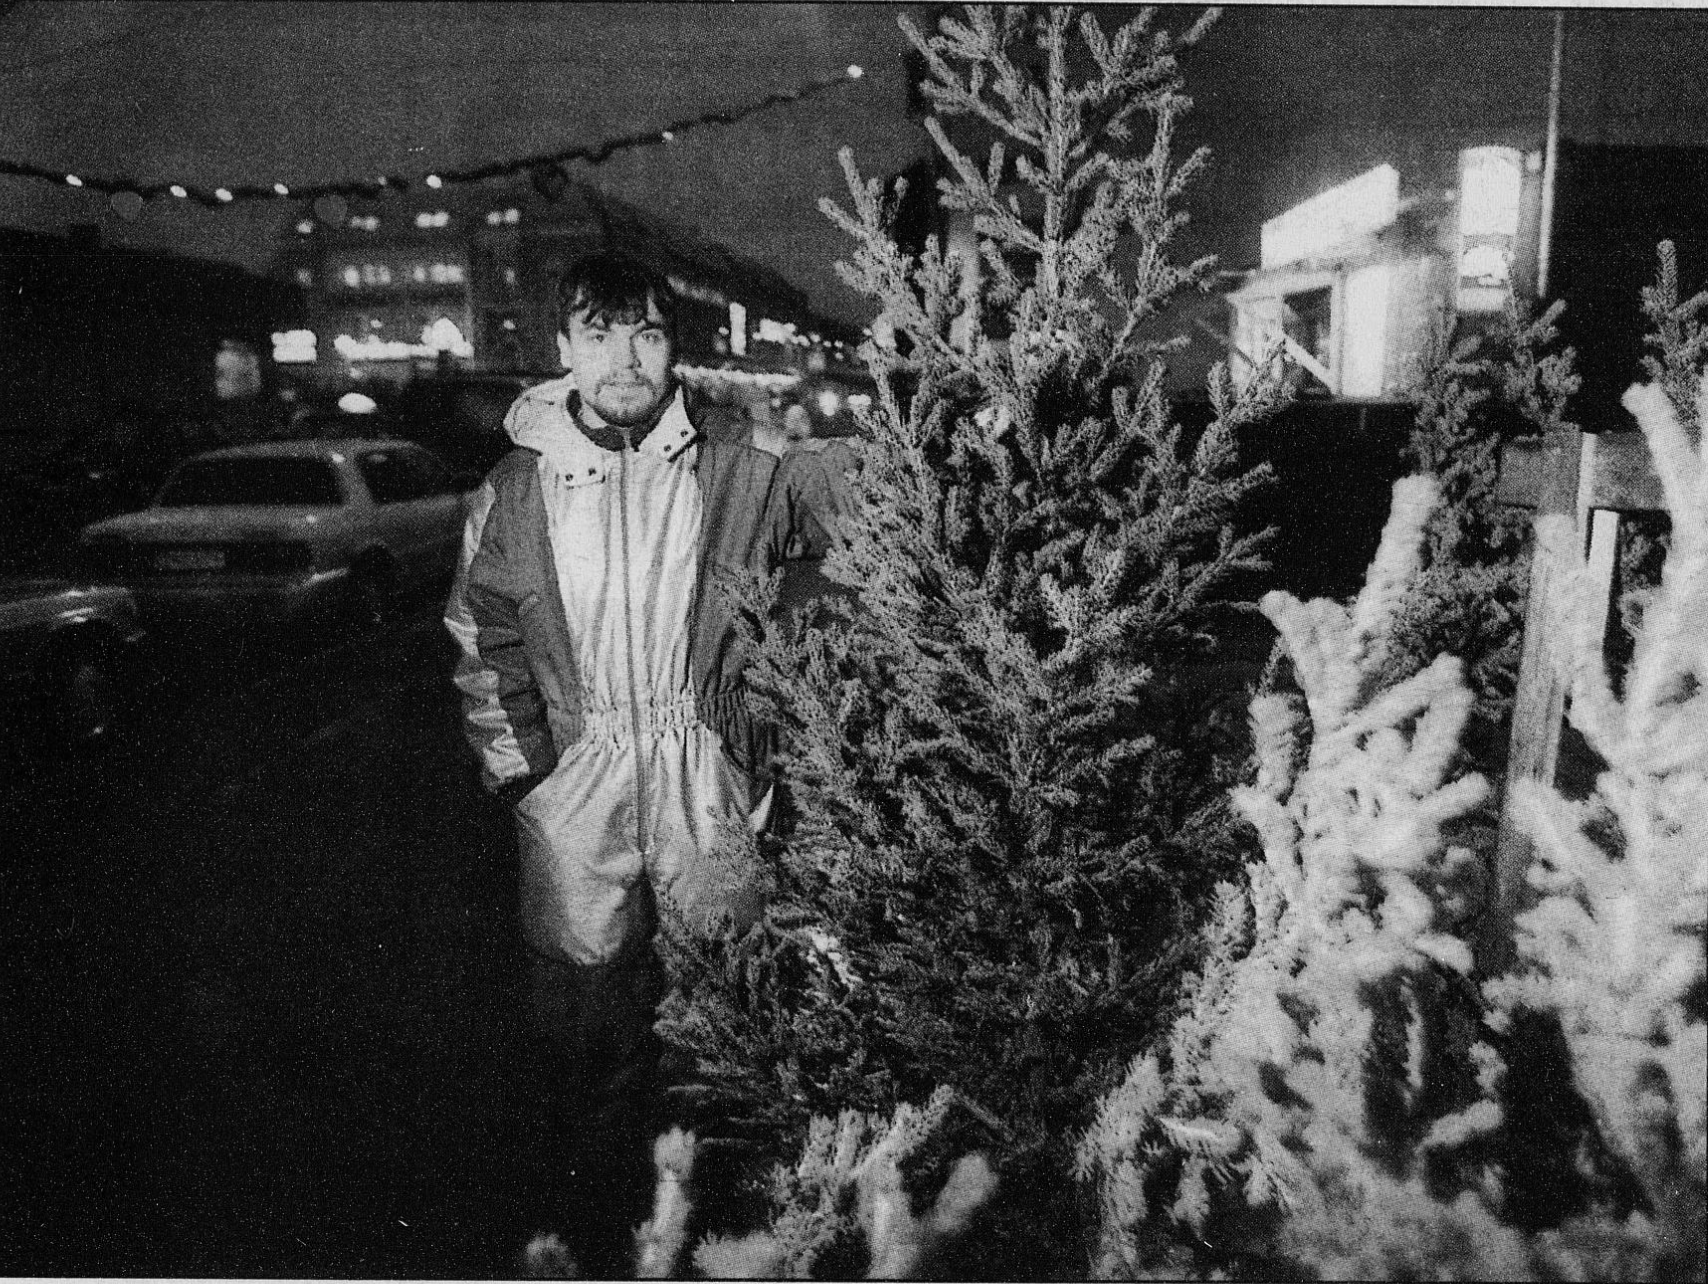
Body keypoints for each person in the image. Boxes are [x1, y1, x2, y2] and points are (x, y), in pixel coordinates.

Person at [443, 251, 805, 1150]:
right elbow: (482, 636)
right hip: (576, 783)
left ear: (673, 347)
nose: (625, 360)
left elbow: (857, 494)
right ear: (565, 347)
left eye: (645, 335)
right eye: (599, 336)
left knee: (727, 993)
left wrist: (752, 752)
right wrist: (526, 772)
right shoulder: (516, 486)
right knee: (583, 1002)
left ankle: (717, 1172)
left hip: (707, 773)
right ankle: (597, 1174)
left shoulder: (741, 464)